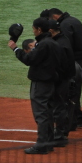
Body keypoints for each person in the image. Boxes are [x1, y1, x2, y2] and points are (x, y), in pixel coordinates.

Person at [9, 18, 61, 155]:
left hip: (41, 83)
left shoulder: (43, 44)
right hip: (51, 82)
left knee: (41, 114)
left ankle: (42, 145)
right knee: (48, 112)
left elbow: (29, 59)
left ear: (39, 29)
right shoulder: (53, 43)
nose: (33, 31)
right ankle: (49, 143)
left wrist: (15, 49)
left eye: (34, 29)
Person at [44, 8, 82, 130]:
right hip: (81, 60)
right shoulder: (74, 20)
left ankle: (71, 121)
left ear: (54, 17)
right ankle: (77, 118)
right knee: (75, 91)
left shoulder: (64, 25)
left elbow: (66, 46)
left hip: (74, 61)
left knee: (69, 92)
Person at [48, 19, 75, 147]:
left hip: (61, 80)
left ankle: (59, 136)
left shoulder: (59, 44)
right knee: (61, 106)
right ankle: (61, 134)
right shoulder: (63, 39)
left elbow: (62, 66)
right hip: (65, 79)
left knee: (59, 107)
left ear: (50, 30)